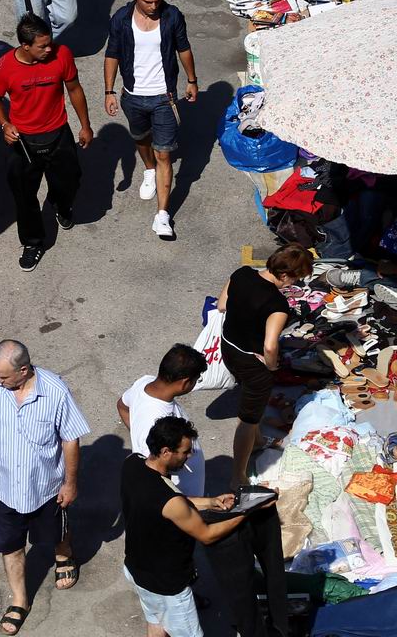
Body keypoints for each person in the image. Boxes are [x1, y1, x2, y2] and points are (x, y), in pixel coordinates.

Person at [0, 339, 90, 636]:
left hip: (46, 487)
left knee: (53, 533)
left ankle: (63, 555)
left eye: (4, 376)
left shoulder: (55, 392)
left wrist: (70, 483)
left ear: (23, 370)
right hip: (5, 487)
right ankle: (20, 600)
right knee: (10, 545)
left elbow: (70, 439)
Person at [0, 15, 94, 273]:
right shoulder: (3, 68)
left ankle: (59, 204)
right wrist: (4, 125)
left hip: (58, 134)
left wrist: (85, 125)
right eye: (42, 46)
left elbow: (74, 89)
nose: (50, 49)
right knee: (25, 197)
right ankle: (33, 243)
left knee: (71, 180)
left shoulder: (62, 55)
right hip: (23, 142)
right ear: (25, 46)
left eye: (50, 43)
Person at [122, 418, 246, 637]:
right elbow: (207, 535)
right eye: (185, 452)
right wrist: (244, 513)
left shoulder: (132, 464)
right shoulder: (170, 502)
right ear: (166, 451)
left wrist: (210, 501)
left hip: (136, 569)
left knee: (158, 624)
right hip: (168, 586)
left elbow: (170, 502)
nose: (189, 456)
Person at [103, 0, 198, 240]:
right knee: (141, 138)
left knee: (164, 153)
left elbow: (184, 48)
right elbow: (112, 54)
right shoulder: (121, 19)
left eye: (157, 0)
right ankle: (148, 170)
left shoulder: (172, 16)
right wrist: (109, 91)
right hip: (132, 96)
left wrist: (192, 80)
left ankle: (162, 216)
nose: (154, 6)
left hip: (163, 97)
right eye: (148, 1)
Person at [216, 243, 310, 485]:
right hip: (252, 362)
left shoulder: (242, 273)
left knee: (251, 404)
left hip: (228, 347)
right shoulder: (277, 305)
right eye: (296, 278)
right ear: (284, 275)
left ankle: (257, 441)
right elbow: (270, 346)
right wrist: (271, 366)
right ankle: (238, 475)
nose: (295, 284)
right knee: (248, 419)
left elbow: (222, 305)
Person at [116, 345, 207, 494]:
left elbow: (122, 405)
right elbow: (156, 477)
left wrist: (139, 435)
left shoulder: (144, 383)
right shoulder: (157, 420)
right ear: (185, 383)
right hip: (182, 502)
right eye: (197, 379)